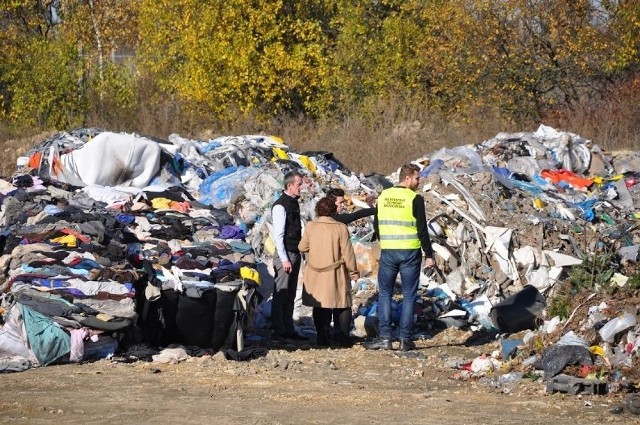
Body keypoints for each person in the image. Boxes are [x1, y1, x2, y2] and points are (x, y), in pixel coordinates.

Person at [365, 163, 435, 351]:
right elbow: (422, 230)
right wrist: (429, 254)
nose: (419, 182)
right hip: (410, 252)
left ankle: (385, 337)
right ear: (407, 178)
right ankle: (405, 339)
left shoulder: (384, 196)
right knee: (409, 295)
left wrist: (383, 241)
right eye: (417, 178)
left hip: (388, 251)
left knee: (385, 293)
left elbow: (377, 225)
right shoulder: (415, 199)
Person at [298, 197, 360, 347]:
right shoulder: (340, 228)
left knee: (320, 305)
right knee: (342, 303)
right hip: (335, 271)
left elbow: (302, 247)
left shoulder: (311, 226)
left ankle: (322, 336)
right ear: (333, 210)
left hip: (315, 272)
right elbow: (348, 253)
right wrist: (353, 271)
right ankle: (342, 337)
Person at [270, 170, 306, 341]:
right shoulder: (280, 206)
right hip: (286, 256)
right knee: (281, 294)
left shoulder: (294, 203)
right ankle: (279, 330)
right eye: (299, 184)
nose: (301, 187)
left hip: (295, 253)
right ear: (290, 185)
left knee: (290, 295)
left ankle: (288, 329)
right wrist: (284, 259)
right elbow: (278, 235)